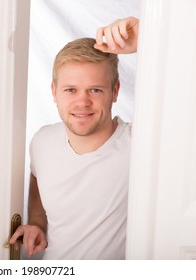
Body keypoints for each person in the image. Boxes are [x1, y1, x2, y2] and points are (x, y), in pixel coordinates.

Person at [9, 16, 139, 259]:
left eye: (95, 89)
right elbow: (39, 181)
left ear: (115, 91)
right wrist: (37, 224)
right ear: (54, 92)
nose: (82, 102)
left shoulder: (140, 144)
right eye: (71, 89)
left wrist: (148, 40)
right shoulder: (42, 141)